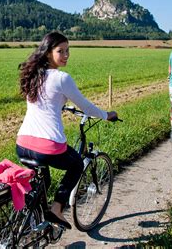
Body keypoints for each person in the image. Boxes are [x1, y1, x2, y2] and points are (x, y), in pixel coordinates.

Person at [16, 32, 118, 229]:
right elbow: (86, 107)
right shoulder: (61, 78)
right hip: (47, 145)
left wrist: (59, 105)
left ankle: (32, 221)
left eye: (68, 50)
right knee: (76, 165)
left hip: (22, 143)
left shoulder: (33, 75)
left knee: (41, 180)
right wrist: (106, 115)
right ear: (47, 54)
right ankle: (56, 209)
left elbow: (44, 103)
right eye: (60, 51)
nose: (66, 55)